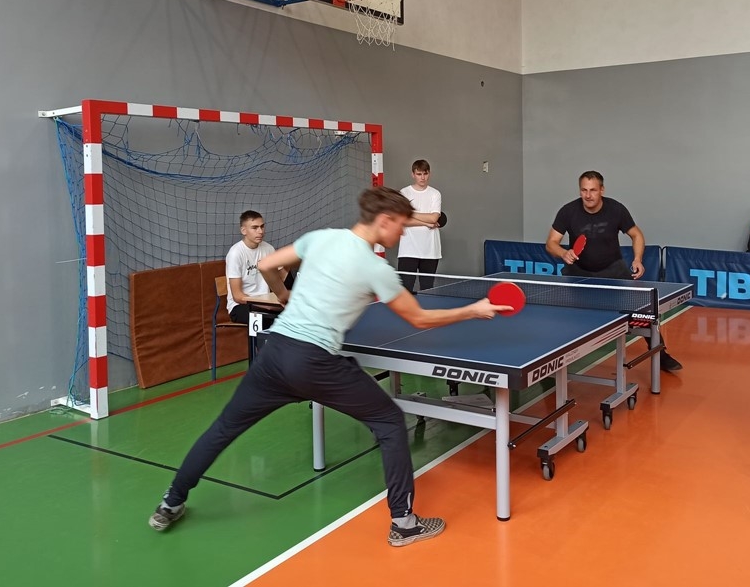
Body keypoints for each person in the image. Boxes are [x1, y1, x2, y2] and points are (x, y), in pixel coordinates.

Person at [148, 187, 509, 546]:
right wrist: (473, 310)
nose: (403, 233)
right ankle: (404, 523)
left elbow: (267, 265)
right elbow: (419, 319)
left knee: (224, 428)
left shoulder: (320, 238)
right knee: (388, 420)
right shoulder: (376, 268)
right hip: (315, 363)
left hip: (275, 354)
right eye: (402, 225)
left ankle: (171, 501)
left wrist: (284, 296)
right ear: (384, 221)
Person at [545, 170, 683, 373]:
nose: (588, 195)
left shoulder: (616, 209)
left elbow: (636, 235)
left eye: (593, 190)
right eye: (584, 190)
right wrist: (563, 253)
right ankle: (553, 364)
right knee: (563, 318)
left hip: (613, 271)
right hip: (578, 273)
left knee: (644, 314)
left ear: (602, 190)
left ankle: (661, 355)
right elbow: (551, 243)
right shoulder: (568, 211)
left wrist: (637, 259)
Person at [224, 210, 289, 325]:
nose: (260, 231)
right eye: (255, 228)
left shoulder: (268, 249)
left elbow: (279, 281)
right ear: (243, 230)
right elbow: (237, 296)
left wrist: (288, 264)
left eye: (262, 227)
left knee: (295, 315)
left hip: (264, 303)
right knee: (269, 318)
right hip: (240, 306)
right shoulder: (235, 253)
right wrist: (264, 305)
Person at [397, 159, 442, 293]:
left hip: (430, 251)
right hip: (408, 250)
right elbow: (402, 220)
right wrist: (426, 222)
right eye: (419, 174)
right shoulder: (404, 193)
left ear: (429, 174)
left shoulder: (435, 194)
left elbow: (434, 218)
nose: (422, 177)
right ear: (413, 174)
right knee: (405, 291)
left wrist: (410, 213)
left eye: (425, 174)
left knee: (427, 290)